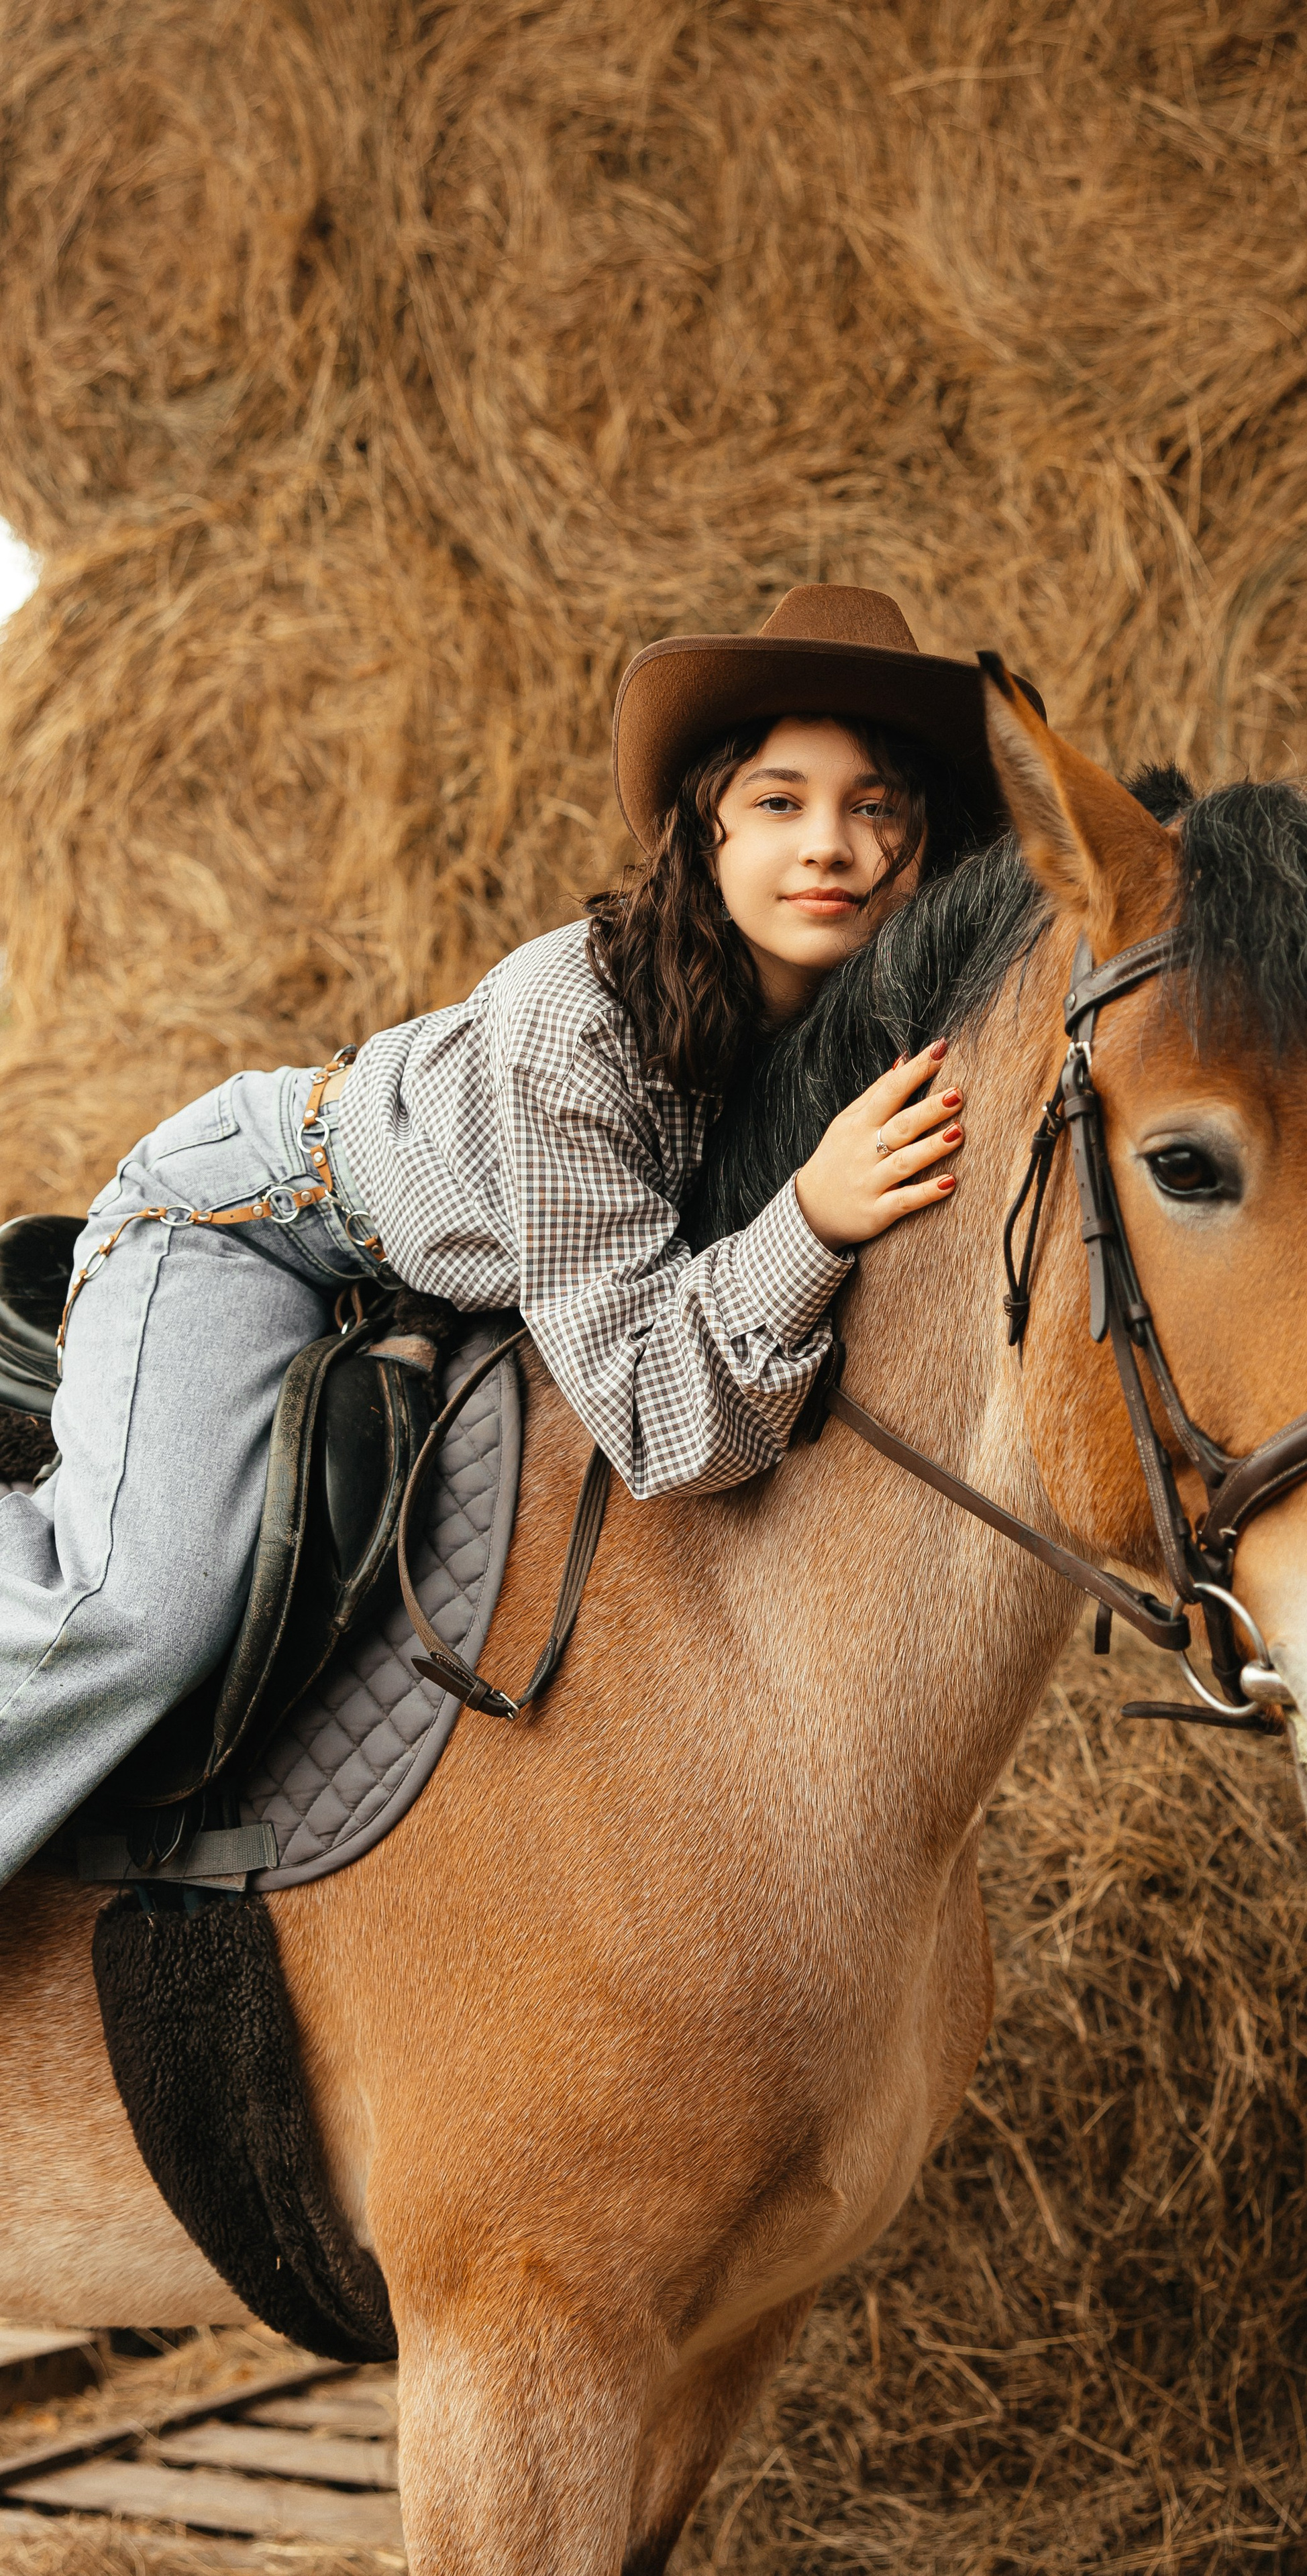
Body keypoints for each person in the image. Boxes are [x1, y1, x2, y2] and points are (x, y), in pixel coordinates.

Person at [0, 584, 1019, 1884]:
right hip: (255, 1222)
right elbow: (653, 1418)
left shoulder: (861, 1032)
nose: (830, 845)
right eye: (779, 802)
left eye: (875, 807)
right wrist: (810, 1214)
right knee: (146, 1611)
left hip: (451, 1259)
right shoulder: (573, 1022)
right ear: (704, 827)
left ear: (926, 846)